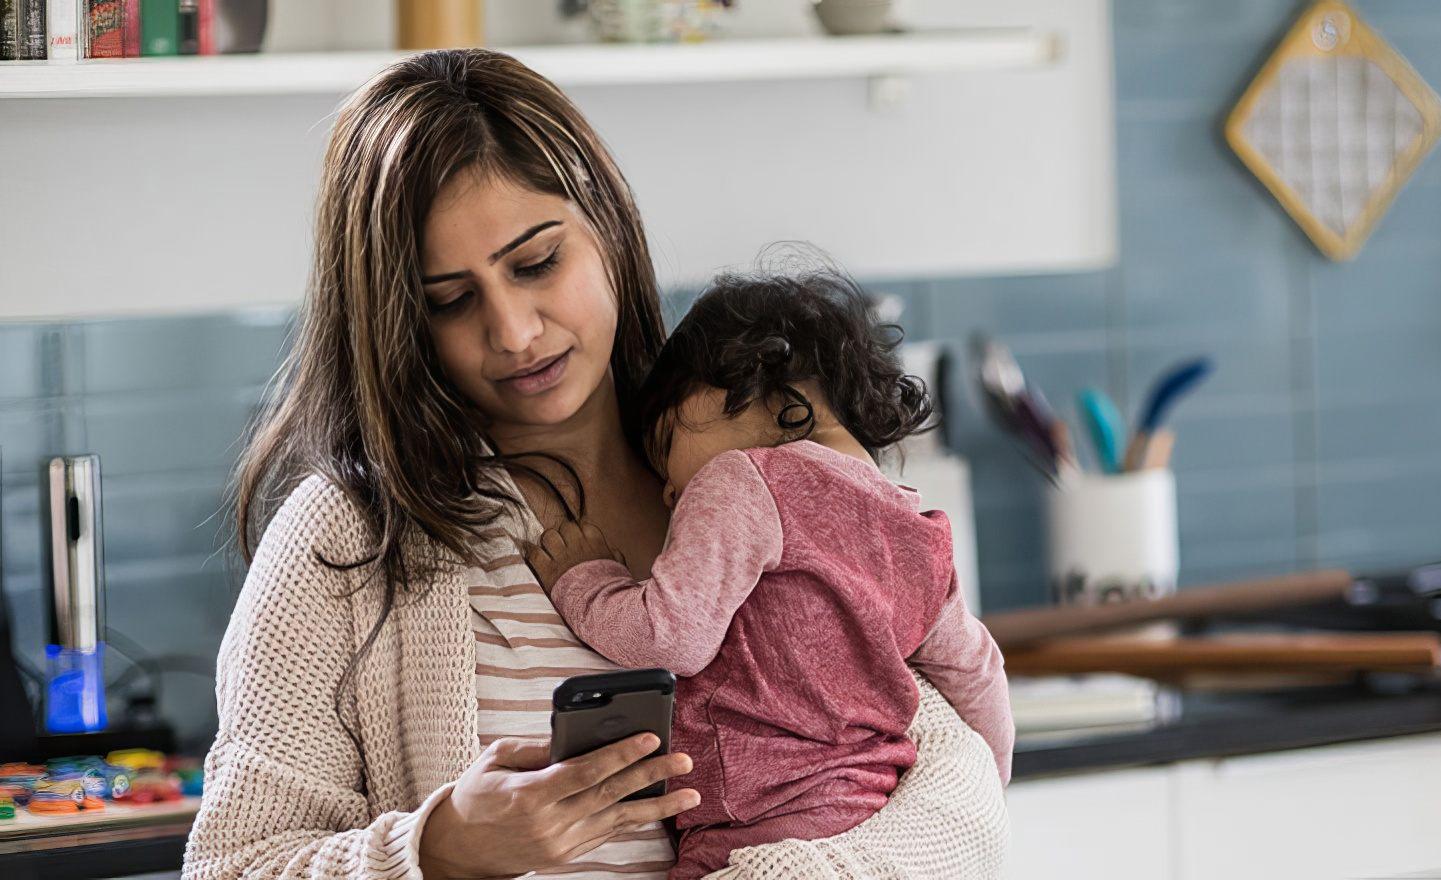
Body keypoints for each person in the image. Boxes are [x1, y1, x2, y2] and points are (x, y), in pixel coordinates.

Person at [184, 48, 1004, 880]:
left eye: (537, 263)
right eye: (450, 301)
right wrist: (438, 849)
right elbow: (227, 868)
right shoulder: (348, 538)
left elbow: (955, 782)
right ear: (402, 324)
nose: (513, 331)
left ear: (608, 230)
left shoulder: (760, 469)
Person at [523, 267, 1013, 880]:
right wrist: (990, 788)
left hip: (754, 832)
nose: (670, 493)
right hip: (868, 813)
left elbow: (669, 638)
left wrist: (585, 577)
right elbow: (978, 670)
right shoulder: (920, 533)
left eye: (665, 448)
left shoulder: (743, 480)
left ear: (774, 393)